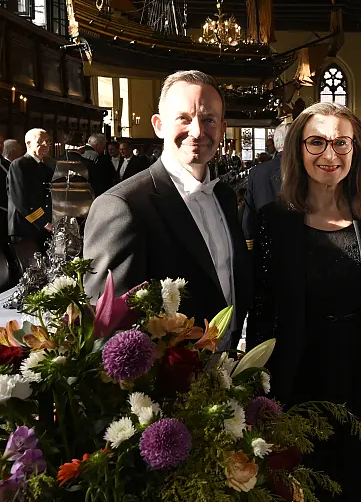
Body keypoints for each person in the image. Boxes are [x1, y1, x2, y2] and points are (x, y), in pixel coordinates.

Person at [248, 102, 361, 501]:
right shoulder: (273, 221)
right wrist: (260, 400)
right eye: (316, 142)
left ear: (357, 150)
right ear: (297, 150)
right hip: (297, 379)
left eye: (341, 143)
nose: (329, 155)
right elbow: (262, 312)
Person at [83, 70, 251, 348]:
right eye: (184, 118)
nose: (197, 131)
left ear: (222, 127)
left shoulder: (224, 196)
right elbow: (107, 332)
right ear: (159, 125)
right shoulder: (122, 206)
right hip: (164, 383)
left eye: (208, 119)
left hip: (227, 368)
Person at [241, 123, 287, 241]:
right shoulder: (305, 169)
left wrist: (248, 243)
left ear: (276, 144)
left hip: (264, 243)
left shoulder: (257, 172)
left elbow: (248, 216)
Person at [8, 129, 53, 245]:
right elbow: (21, 199)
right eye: (40, 141)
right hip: (24, 227)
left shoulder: (45, 167)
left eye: (47, 142)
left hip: (41, 226)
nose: (45, 145)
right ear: (28, 143)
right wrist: (43, 221)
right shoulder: (19, 165)